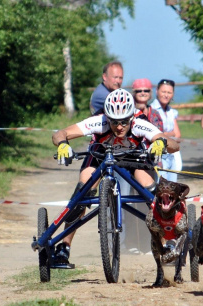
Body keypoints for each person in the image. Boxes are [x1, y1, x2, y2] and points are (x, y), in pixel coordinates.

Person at [52, 88, 179, 266]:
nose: (119, 127)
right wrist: (63, 144)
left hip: (133, 158)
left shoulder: (139, 122)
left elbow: (174, 145)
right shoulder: (100, 121)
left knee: (149, 188)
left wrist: (161, 142)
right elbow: (60, 133)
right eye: (114, 122)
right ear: (107, 117)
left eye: (124, 122)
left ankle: (167, 243)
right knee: (83, 189)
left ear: (131, 118)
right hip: (100, 156)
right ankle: (64, 248)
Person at [151, 79, 183, 182]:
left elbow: (177, 135)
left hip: (171, 155)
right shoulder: (151, 110)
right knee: (161, 187)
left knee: (173, 188)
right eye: (163, 92)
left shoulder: (171, 111)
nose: (166, 95)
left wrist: (164, 134)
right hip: (159, 156)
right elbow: (155, 135)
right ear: (157, 91)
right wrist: (170, 134)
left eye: (169, 92)